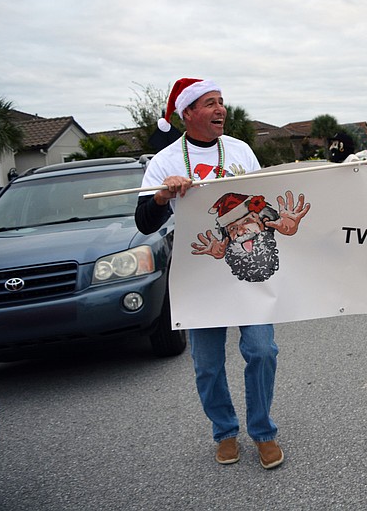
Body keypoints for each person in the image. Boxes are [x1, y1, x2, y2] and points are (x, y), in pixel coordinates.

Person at [135, 78, 286, 468]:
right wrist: (162, 196)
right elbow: (144, 222)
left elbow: (263, 200)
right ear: (188, 113)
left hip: (245, 271)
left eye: (221, 101)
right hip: (199, 276)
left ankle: (263, 431)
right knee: (207, 365)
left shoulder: (241, 150)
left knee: (262, 350)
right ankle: (224, 431)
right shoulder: (164, 161)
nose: (221, 109)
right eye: (210, 103)